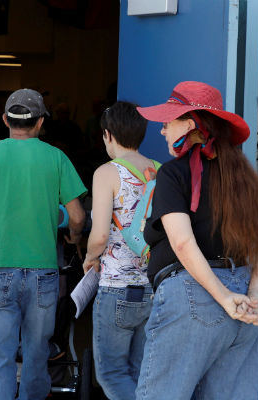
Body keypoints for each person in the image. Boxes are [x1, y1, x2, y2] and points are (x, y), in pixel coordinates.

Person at [134, 81, 258, 400]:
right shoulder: (241, 175)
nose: (161, 131)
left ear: (188, 124)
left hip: (193, 296)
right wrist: (250, 294)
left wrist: (222, 296)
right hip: (243, 299)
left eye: (166, 123)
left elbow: (182, 243)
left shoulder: (173, 174)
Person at [0, 88, 87, 400]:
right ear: (41, 122)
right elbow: (76, 215)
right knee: (36, 354)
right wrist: (73, 236)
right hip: (43, 272)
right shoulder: (56, 158)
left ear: (4, 119)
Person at [82, 101, 157, 400]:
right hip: (151, 287)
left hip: (116, 287)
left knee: (111, 374)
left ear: (107, 135)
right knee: (139, 372)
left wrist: (89, 258)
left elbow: (99, 235)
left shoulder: (106, 173)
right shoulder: (159, 171)